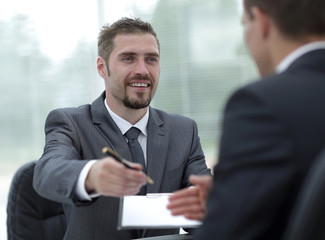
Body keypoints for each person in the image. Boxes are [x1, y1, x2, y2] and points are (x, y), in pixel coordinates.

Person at [33, 17, 211, 240]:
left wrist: (215, 204)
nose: (142, 70)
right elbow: (47, 172)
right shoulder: (70, 122)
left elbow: (203, 213)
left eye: (151, 59)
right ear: (102, 67)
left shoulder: (184, 131)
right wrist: (91, 175)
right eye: (128, 58)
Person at [167, 0, 325, 239]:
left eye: (244, 24)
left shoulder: (263, 104)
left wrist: (228, 205)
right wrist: (236, 192)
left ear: (261, 22)